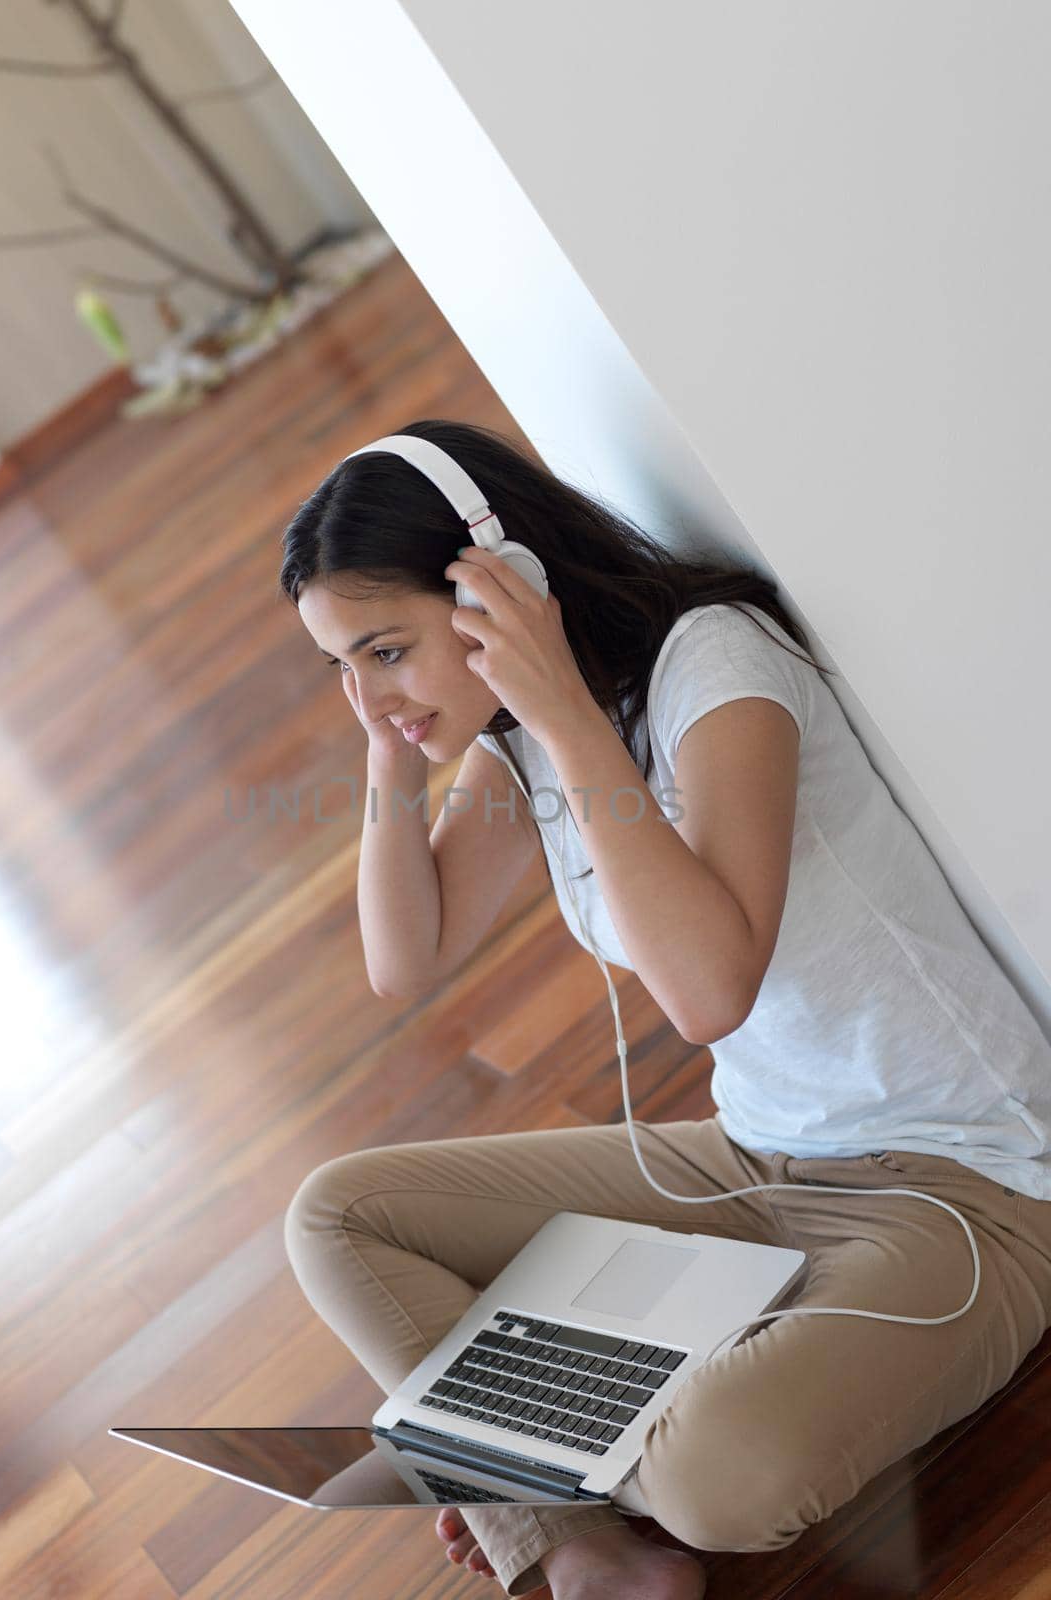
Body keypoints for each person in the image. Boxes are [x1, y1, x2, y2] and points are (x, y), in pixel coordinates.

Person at [277, 417, 1051, 1599]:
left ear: (503, 584)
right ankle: (577, 1544)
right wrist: (393, 747)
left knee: (714, 1478)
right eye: (341, 663)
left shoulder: (713, 668)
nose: (369, 693)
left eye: (385, 649)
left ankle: (509, 1467)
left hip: (964, 1191)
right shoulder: (517, 741)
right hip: (761, 1160)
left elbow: (706, 992)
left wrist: (568, 719)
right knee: (339, 1218)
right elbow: (407, 956)